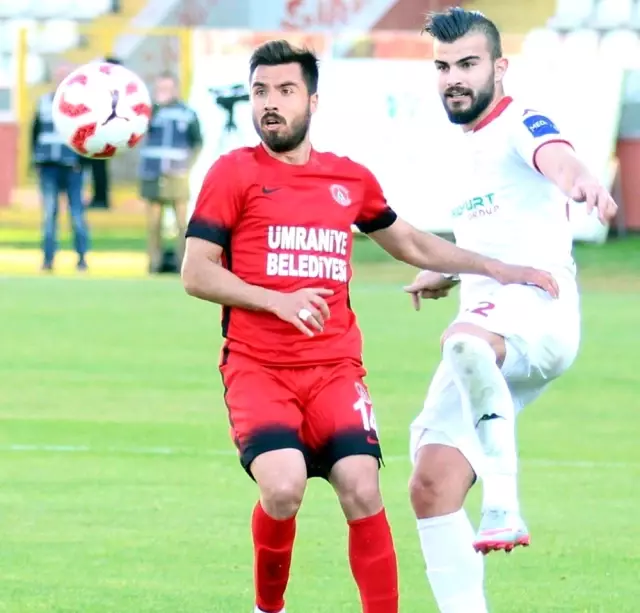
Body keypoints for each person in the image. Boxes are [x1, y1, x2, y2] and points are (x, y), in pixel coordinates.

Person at [181, 40, 560, 613]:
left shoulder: (346, 178)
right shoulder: (232, 174)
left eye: (285, 91)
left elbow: (406, 240)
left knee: (362, 486)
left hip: (334, 369)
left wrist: (491, 265)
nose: (270, 105)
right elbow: (196, 272)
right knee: (282, 488)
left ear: (313, 100)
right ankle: (268, 608)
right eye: (261, 92)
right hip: (258, 368)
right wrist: (273, 302)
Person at [404, 8, 618, 613]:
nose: (455, 78)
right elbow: (493, 232)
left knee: (464, 341)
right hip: (492, 321)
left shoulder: (519, 119)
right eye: (444, 67)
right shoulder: (464, 145)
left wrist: (583, 183)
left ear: (499, 67)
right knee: (431, 482)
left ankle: (503, 503)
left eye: (468, 64)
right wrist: (444, 271)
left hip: (539, 310)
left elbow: (556, 155)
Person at [139, 71, 202, 273]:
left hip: (177, 174)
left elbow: (197, 142)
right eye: (160, 88)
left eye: (167, 88)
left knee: (182, 224)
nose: (163, 92)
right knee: (153, 224)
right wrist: (155, 108)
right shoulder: (148, 113)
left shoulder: (187, 112)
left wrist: (187, 166)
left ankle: (182, 264)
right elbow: (138, 134)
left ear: (175, 89)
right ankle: (154, 264)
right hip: (152, 172)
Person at [31, 62, 90, 272]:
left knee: (77, 214)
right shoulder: (43, 103)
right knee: (49, 214)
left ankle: (82, 259)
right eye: (59, 76)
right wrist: (35, 161)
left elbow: (89, 136)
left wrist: (83, 163)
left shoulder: (82, 104)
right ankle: (47, 260)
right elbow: (35, 132)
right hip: (48, 166)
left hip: (72, 167)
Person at [85, 56, 122, 210]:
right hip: (102, 132)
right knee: (97, 167)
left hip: (104, 132)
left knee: (98, 167)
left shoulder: (113, 88)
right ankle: (99, 197)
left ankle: (101, 198)